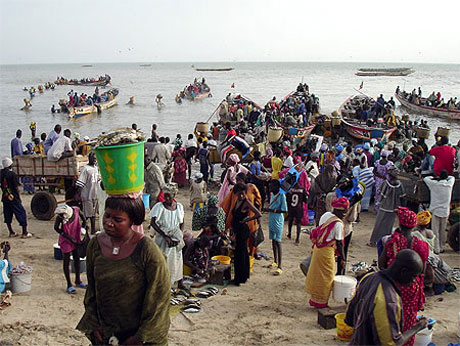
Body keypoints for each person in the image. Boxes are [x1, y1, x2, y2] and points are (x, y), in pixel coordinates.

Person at [76, 196, 170, 345]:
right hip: (105, 334)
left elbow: (160, 297)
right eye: (107, 216)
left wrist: (140, 337)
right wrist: (93, 323)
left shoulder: (147, 250)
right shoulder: (95, 245)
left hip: (137, 337)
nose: (109, 223)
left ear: (132, 221)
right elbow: (92, 290)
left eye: (117, 220)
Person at [345, 249, 428, 346]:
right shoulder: (389, 300)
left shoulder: (368, 277)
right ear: (403, 271)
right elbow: (392, 343)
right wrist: (416, 328)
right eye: (413, 276)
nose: (414, 281)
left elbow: (349, 318)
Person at [378, 207, 429, 346]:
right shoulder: (421, 245)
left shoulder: (392, 242)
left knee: (391, 317)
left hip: (392, 286)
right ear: (414, 226)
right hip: (412, 288)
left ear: (400, 224)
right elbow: (422, 269)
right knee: (408, 319)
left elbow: (381, 264)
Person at [305, 197, 348, 308]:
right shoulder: (338, 223)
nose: (345, 214)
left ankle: (314, 299)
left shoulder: (326, 215)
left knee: (317, 275)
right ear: (337, 210)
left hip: (317, 250)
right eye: (343, 212)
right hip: (327, 252)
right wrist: (343, 258)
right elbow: (339, 243)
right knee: (327, 277)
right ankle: (322, 302)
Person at [149, 184, 185, 288]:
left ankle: (179, 282)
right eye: (165, 196)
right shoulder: (159, 207)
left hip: (175, 236)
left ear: (174, 195)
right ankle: (163, 283)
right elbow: (153, 223)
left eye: (169, 196)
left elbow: (182, 222)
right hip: (162, 237)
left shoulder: (179, 207)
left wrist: (180, 235)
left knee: (177, 259)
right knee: (163, 260)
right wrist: (165, 237)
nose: (167, 198)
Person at [230, 183, 261, 286]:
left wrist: (248, 219)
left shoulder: (246, 202)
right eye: (238, 193)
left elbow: (258, 213)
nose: (240, 195)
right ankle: (242, 276)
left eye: (241, 193)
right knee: (240, 252)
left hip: (243, 230)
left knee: (241, 253)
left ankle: (239, 278)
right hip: (238, 230)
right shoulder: (237, 201)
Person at [54, 204, 88, 294]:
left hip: (76, 237)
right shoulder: (60, 217)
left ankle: (78, 280)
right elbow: (56, 228)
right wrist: (65, 235)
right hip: (66, 240)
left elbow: (83, 217)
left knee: (77, 258)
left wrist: (84, 225)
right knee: (66, 260)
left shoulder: (76, 210)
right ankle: (69, 284)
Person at [368, 166, 405, 246]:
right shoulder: (399, 184)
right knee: (389, 225)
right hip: (393, 209)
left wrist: (379, 203)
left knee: (379, 225)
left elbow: (381, 195)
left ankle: (374, 241)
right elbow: (402, 196)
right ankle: (386, 242)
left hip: (384, 207)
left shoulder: (386, 183)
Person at [423, 170, 455, 253]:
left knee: (435, 231)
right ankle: (442, 247)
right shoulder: (449, 184)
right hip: (445, 211)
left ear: (439, 177)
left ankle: (436, 248)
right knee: (443, 230)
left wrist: (434, 178)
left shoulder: (434, 185)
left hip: (436, 210)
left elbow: (426, 178)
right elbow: (452, 177)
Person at [1, 157, 30, 238]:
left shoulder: (1, 174)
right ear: (10, 165)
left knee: (7, 214)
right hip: (13, 197)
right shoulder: (12, 174)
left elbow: (3, 187)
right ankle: (24, 232)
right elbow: (16, 187)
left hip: (5, 197)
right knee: (21, 213)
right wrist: (18, 197)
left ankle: (11, 232)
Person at [264, 180, 287, 275]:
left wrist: (271, 209)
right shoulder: (272, 195)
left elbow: (284, 210)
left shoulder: (282, 196)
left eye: (271, 186)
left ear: (276, 187)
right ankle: (275, 260)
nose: (269, 188)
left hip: (278, 220)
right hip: (272, 219)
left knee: (278, 241)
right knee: (273, 240)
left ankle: (280, 266)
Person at [76, 152, 99, 234]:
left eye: (95, 158)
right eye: (93, 158)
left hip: (95, 195)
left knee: (93, 213)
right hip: (87, 195)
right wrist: (79, 195)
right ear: (89, 158)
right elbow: (80, 183)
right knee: (87, 214)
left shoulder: (96, 168)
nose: (94, 160)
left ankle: (92, 229)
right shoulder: (85, 169)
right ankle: (83, 227)